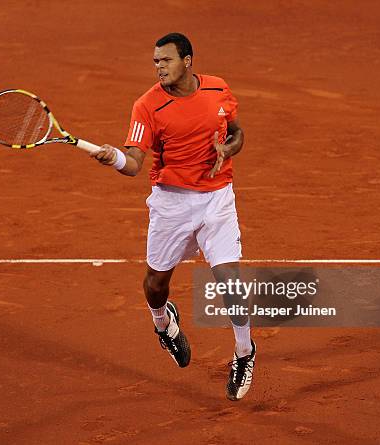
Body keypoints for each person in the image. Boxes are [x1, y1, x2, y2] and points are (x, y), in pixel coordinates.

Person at [91, 32, 255, 401]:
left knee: (230, 283)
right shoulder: (147, 106)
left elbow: (238, 131)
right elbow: (134, 163)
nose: (159, 67)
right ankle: (163, 323)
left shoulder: (217, 90)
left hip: (217, 199)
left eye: (165, 60)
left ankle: (244, 352)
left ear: (187, 61)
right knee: (155, 284)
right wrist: (114, 158)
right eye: (155, 62)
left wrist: (228, 148)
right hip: (172, 205)